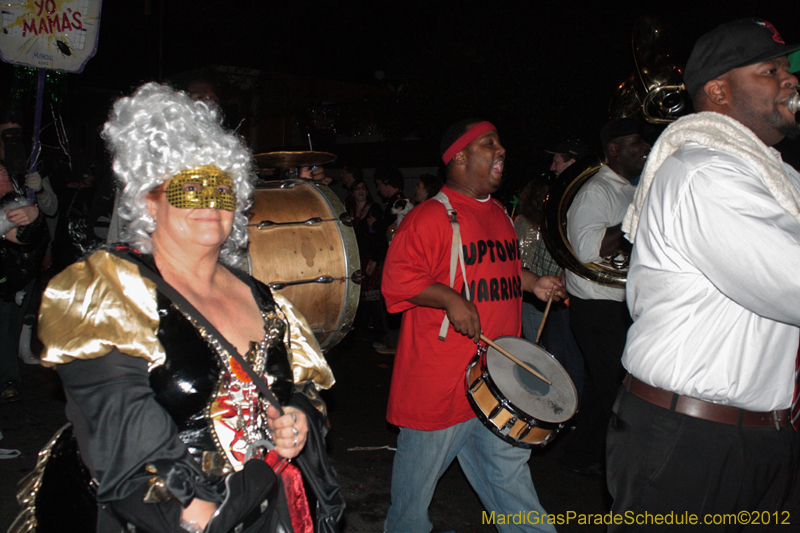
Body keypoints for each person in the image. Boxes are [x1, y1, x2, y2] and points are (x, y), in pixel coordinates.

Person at [28, 83, 337, 532]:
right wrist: (194, 510)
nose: (210, 202)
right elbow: (120, 425)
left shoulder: (263, 297)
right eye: (189, 188)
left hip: (260, 507)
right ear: (147, 201)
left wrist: (298, 421)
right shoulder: (109, 287)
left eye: (223, 189)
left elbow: (303, 390)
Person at [607, 18, 800, 528]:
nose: (791, 80)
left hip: (758, 435)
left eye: (788, 68)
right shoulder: (703, 172)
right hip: (690, 443)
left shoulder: (773, 176)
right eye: (770, 70)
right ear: (717, 91)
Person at [382, 118, 566, 533]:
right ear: (460, 156)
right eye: (489, 144)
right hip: (440, 385)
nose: (501, 151)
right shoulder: (429, 217)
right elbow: (397, 279)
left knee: (510, 483)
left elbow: (499, 268)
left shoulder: (499, 212)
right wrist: (449, 299)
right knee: (410, 509)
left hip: (497, 381)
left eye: (500, 143)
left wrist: (534, 283)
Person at [561, 118, 650, 478]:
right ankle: (627, 470)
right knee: (620, 391)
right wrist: (634, 220)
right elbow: (584, 250)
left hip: (621, 304)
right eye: (636, 144)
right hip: (596, 307)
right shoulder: (596, 191)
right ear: (613, 149)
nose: (645, 149)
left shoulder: (631, 190)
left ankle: (579, 455)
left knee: (605, 390)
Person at [349, 179, 385, 344]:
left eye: (363, 187)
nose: (361, 191)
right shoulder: (350, 211)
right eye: (357, 189)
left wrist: (375, 259)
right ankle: (362, 331)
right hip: (357, 258)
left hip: (371, 256)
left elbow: (379, 236)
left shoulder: (373, 208)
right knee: (361, 296)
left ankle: (379, 333)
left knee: (373, 296)